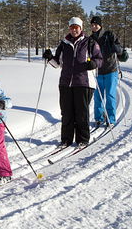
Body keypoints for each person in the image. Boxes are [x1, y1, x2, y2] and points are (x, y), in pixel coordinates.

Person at [42, 17, 103, 149]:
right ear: (69, 28)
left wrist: (93, 64)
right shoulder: (64, 44)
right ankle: (66, 139)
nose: (74, 30)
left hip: (84, 82)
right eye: (72, 27)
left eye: (76, 27)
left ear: (81, 28)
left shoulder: (89, 42)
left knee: (81, 113)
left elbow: (99, 59)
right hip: (66, 83)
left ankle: (83, 139)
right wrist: (49, 58)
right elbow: (57, 64)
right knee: (67, 113)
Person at [89, 16, 127, 126]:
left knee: (110, 95)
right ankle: (99, 118)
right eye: (92, 25)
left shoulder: (109, 35)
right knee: (98, 96)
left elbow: (120, 49)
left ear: (100, 25)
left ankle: (111, 118)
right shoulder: (91, 39)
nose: (94, 27)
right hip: (97, 71)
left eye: (96, 24)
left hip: (111, 69)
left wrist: (115, 47)